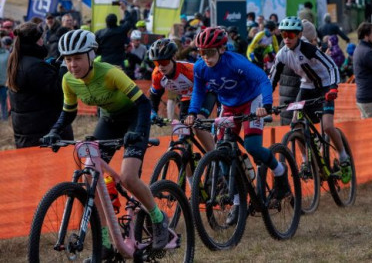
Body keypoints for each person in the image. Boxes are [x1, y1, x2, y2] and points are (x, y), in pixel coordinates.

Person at [43, 29, 171, 251]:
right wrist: (55, 130)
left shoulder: (110, 73)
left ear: (91, 56)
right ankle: (103, 241)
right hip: (110, 121)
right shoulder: (68, 80)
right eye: (68, 59)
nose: (73, 65)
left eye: (78, 58)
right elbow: (69, 112)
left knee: (129, 177)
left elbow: (143, 104)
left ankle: (158, 218)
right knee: (91, 178)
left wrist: (138, 132)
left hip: (134, 118)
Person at [184, 26, 291, 220]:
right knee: (223, 149)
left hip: (252, 101)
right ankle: (237, 202)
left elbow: (262, 79)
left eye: (209, 52)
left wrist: (266, 104)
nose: (206, 57)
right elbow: (199, 92)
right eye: (201, 53)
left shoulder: (235, 62)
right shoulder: (200, 67)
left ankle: (280, 172)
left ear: (222, 49)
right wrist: (193, 112)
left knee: (252, 146)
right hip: (229, 106)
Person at [269, 17, 352, 182]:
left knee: (327, 126)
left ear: (299, 35)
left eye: (291, 34)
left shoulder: (308, 49)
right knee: (296, 124)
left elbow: (332, 66)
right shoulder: (282, 54)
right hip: (306, 87)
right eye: (284, 34)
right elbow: (271, 80)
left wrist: (334, 88)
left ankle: (344, 158)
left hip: (325, 87)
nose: (287, 38)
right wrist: (265, 102)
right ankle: (306, 163)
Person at [6, 23, 74, 147]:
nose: (44, 41)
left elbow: (37, 88)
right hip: (45, 132)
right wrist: (64, 68)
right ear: (35, 41)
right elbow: (59, 90)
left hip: (27, 132)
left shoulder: (18, 61)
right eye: (41, 38)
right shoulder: (35, 66)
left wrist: (53, 67)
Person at [148, 38, 215, 151]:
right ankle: (187, 161)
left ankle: (215, 158)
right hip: (186, 98)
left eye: (164, 62)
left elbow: (211, 86)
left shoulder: (189, 70)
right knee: (182, 135)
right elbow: (154, 96)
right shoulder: (157, 74)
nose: (160, 66)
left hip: (206, 93)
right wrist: (152, 111)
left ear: (173, 58)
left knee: (197, 123)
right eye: (156, 63)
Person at [95, 3, 135, 68]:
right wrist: (124, 10)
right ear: (116, 21)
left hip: (105, 62)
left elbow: (96, 49)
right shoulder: (121, 30)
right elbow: (129, 21)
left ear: (106, 22)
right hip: (118, 62)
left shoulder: (99, 33)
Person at [0, 36, 12, 120]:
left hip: (4, 82)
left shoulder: (7, 54)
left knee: (3, 101)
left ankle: (4, 119)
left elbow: (10, 68)